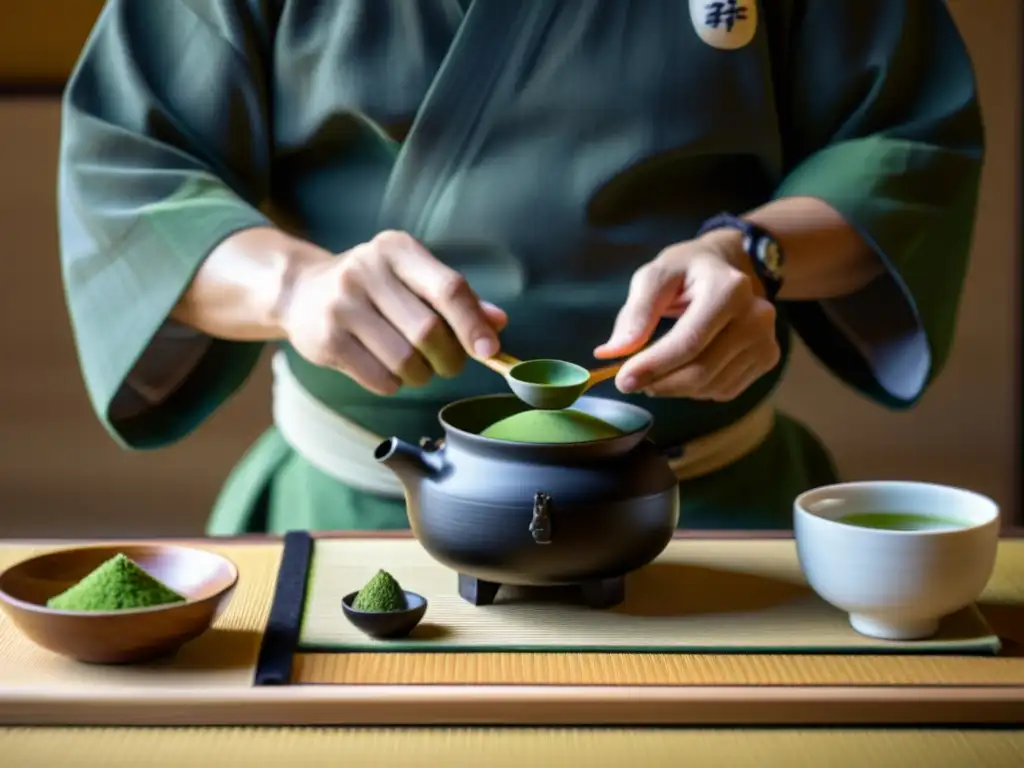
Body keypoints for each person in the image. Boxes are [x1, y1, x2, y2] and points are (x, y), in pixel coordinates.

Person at [57, 0, 984, 535]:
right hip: (362, 510)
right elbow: (125, 168)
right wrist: (298, 287)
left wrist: (752, 254)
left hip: (705, 512)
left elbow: (906, 142)